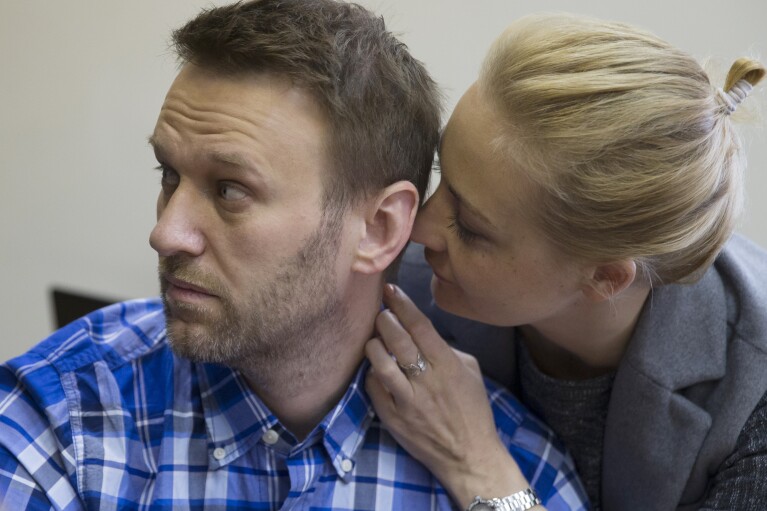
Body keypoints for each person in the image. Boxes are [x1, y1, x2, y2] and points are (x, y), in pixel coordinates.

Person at [0, 2, 589, 510]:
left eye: (231, 190)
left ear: (380, 229)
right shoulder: (64, 422)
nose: (167, 233)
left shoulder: (517, 472)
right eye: (169, 175)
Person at [365, 12, 767, 511]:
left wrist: (480, 467)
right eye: (442, 174)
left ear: (604, 277)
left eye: (469, 226)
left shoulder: (755, 408)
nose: (418, 229)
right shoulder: (402, 275)